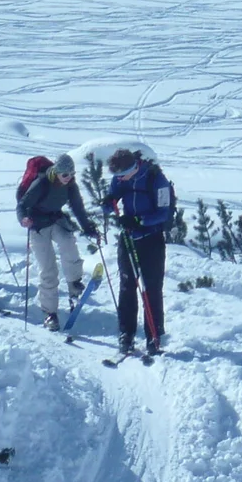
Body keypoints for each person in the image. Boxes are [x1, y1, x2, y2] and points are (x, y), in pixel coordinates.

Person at [102, 147, 175, 357]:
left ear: (134, 167)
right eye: (116, 176)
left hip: (151, 239)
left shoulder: (156, 179)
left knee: (151, 288)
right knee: (127, 286)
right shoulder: (121, 178)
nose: (119, 179)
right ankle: (126, 333)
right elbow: (113, 196)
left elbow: (163, 213)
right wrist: (108, 203)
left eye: (121, 175)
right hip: (128, 238)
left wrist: (139, 221)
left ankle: (154, 335)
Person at [17, 153, 100, 329]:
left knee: (68, 244)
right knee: (48, 269)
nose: (68, 178)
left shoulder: (70, 185)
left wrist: (87, 227)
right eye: (65, 175)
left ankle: (74, 285)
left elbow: (78, 208)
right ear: (56, 172)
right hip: (37, 225)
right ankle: (50, 313)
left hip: (55, 220)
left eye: (72, 174)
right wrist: (23, 218)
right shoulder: (41, 183)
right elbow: (22, 205)